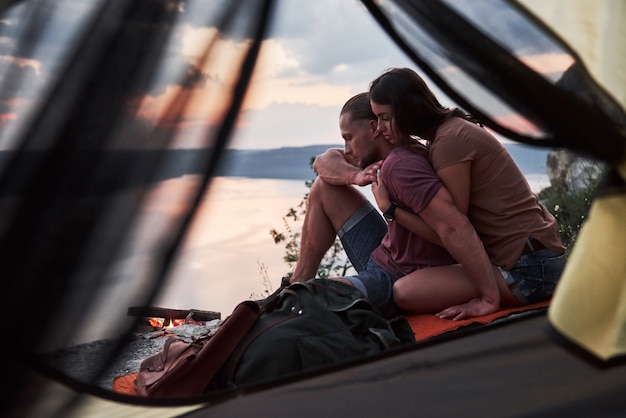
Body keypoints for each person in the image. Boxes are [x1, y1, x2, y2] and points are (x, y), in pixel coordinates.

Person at [289, 92, 510, 319]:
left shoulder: (403, 166)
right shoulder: (393, 155)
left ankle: (294, 292)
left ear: (374, 128)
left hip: (402, 275)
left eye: (349, 138)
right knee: (324, 187)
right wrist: (356, 176)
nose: (346, 149)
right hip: (387, 254)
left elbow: (451, 230)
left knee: (312, 297)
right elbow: (323, 162)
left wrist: (390, 210)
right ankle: (297, 280)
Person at [368, 67, 566, 320]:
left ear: (405, 109)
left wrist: (391, 210)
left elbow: (453, 228)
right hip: (540, 259)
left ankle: (491, 294)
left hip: (530, 271)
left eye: (384, 117)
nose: (380, 128)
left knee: (405, 292)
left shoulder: (449, 142)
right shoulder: (450, 131)